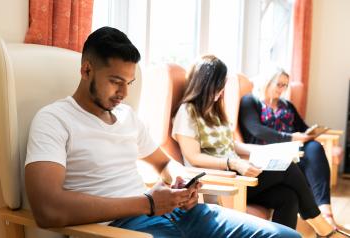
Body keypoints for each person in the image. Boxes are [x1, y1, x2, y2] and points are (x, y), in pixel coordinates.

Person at [24, 27, 300, 238]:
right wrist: (147, 204)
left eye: (129, 82)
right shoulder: (54, 120)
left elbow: (163, 162)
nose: (124, 93)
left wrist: (179, 179)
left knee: (285, 235)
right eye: (115, 81)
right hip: (121, 228)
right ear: (86, 70)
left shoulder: (126, 116)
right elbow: (48, 210)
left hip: (175, 214)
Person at [172, 55, 347, 237]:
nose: (222, 90)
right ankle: (323, 228)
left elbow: (231, 145)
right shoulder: (187, 112)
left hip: (238, 173)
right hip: (223, 179)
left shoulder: (214, 110)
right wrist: (233, 164)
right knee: (287, 167)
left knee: (288, 197)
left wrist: (265, 151)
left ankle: (316, 228)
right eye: (219, 84)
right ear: (206, 83)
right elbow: (193, 157)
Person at [238, 66, 349, 235]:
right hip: (265, 151)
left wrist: (310, 134)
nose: (282, 89)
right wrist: (290, 137)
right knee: (294, 170)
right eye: (279, 84)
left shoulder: (287, 105)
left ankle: (326, 212)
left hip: (292, 149)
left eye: (285, 85)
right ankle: (319, 220)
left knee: (314, 147)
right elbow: (256, 130)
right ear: (267, 82)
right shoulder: (250, 101)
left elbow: (302, 128)